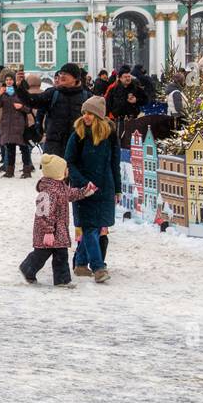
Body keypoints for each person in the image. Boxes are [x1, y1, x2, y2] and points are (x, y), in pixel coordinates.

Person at [64, 97, 121, 283]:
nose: (85, 117)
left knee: (96, 228)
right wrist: (82, 182)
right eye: (84, 113)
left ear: (98, 116)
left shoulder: (110, 135)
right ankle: (98, 267)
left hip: (105, 187)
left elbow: (114, 163)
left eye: (89, 113)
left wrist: (117, 189)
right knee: (89, 228)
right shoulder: (78, 134)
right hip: (83, 189)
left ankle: (81, 264)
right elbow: (69, 162)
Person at [19, 153, 96, 288]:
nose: (68, 170)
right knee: (41, 254)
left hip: (58, 231)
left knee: (61, 255)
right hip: (48, 231)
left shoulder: (60, 186)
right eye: (65, 168)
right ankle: (27, 269)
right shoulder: (49, 191)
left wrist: (85, 191)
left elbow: (70, 194)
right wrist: (48, 231)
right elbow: (43, 214)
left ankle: (62, 280)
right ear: (58, 172)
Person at [36, 62, 89, 157]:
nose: (58, 79)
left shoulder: (86, 96)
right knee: (54, 169)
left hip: (76, 142)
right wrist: (39, 128)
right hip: (54, 142)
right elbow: (39, 110)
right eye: (58, 76)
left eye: (65, 75)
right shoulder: (52, 93)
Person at [0, 70, 35, 178]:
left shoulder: (20, 92)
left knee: (24, 148)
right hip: (7, 124)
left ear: (14, 80)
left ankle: (27, 171)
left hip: (20, 125)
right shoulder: (4, 92)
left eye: (10, 79)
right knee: (10, 148)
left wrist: (21, 107)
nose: (8, 82)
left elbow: (29, 109)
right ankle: (9, 171)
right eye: (7, 80)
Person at [105, 66, 146, 136]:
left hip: (132, 119)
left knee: (131, 141)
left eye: (129, 76)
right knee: (118, 141)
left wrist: (136, 100)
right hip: (118, 120)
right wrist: (108, 117)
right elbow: (107, 104)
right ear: (120, 78)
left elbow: (145, 100)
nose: (128, 78)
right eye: (125, 77)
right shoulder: (114, 89)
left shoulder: (136, 88)